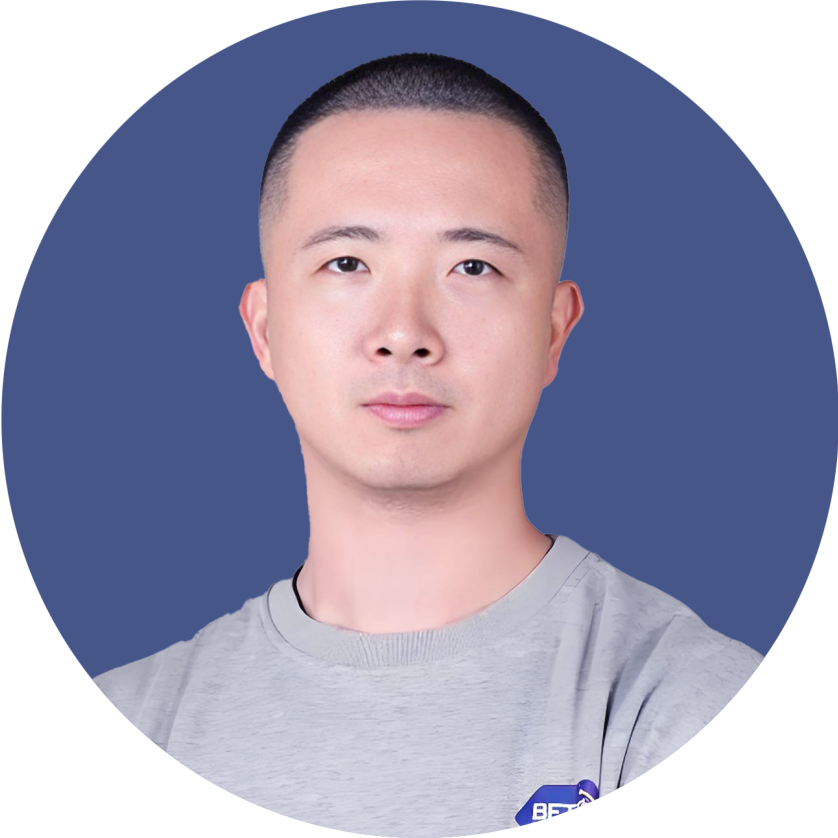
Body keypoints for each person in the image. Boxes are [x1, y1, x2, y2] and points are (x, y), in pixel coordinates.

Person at [93, 53, 763, 833]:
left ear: (553, 331)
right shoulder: (142, 715)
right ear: (264, 329)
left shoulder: (683, 703)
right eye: (347, 263)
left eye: (471, 267)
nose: (404, 333)